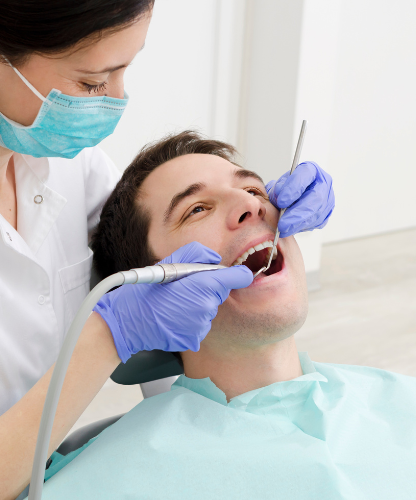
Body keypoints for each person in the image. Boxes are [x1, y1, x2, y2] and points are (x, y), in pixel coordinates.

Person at [40, 132, 416, 500]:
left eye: (253, 189)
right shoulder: (103, 480)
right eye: (196, 209)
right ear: (148, 282)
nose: (251, 205)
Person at [0, 4, 335, 499]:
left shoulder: (72, 164)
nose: (116, 99)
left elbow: (137, 251)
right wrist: (110, 335)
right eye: (92, 83)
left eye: (253, 189)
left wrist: (185, 420)